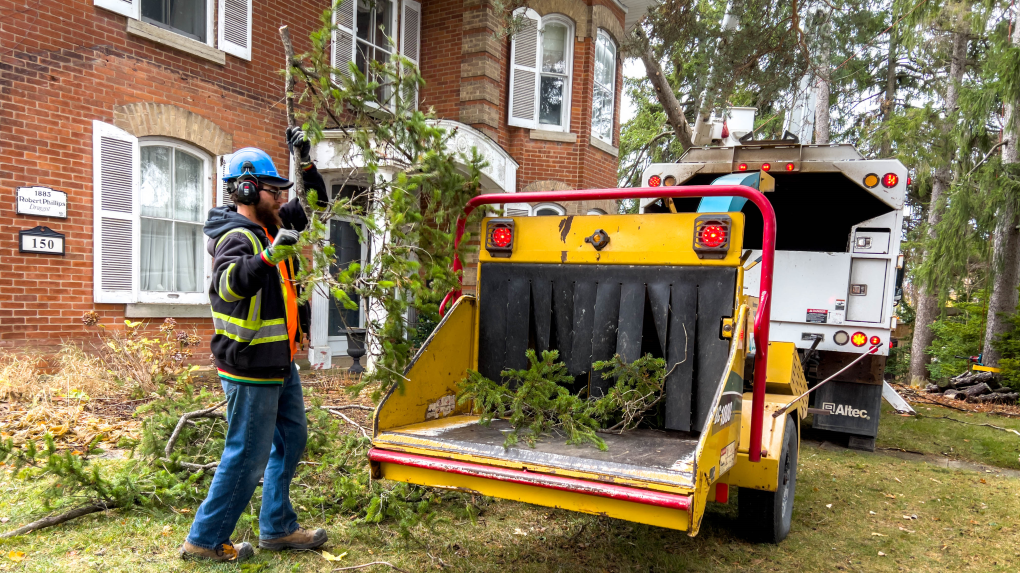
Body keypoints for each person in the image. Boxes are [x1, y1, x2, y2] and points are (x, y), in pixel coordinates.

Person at [181, 129, 327, 562]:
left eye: (284, 190)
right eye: (274, 189)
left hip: (279, 363)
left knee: (292, 439)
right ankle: (204, 541)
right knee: (247, 454)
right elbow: (227, 286)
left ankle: (277, 528)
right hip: (249, 366)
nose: (283, 197)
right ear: (247, 188)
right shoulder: (236, 237)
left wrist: (304, 161)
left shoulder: (272, 225)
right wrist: (267, 258)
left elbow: (316, 201)